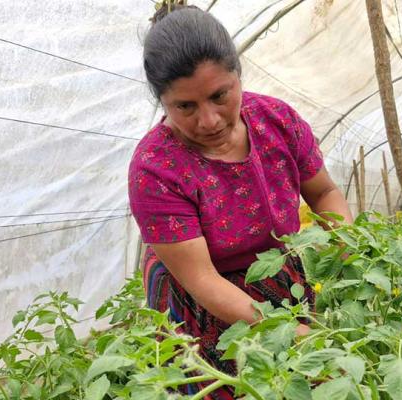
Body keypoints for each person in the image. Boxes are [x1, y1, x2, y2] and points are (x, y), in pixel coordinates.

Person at [128, 3, 352, 397]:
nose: (209, 120)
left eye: (220, 95)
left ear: (238, 75)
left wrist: (348, 251)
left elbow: (324, 192)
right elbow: (203, 280)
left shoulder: (277, 121)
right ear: (162, 101)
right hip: (201, 299)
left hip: (276, 273)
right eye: (185, 106)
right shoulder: (155, 168)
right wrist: (287, 332)